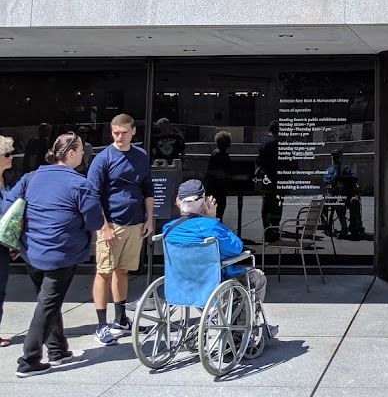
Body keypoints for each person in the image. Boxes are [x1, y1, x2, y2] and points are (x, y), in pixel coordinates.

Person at [3, 133, 104, 378]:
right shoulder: (80, 183)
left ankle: (57, 350)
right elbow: (94, 221)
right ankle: (29, 359)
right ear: (70, 153)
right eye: (81, 150)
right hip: (61, 253)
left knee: (48, 300)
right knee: (47, 303)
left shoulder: (31, 177)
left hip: (31, 251)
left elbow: (7, 205)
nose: (83, 155)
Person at [87, 114, 154, 346]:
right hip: (111, 224)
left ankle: (121, 319)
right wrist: (104, 227)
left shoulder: (141, 156)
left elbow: (147, 187)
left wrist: (149, 219)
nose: (120, 136)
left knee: (123, 270)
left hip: (135, 222)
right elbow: (93, 196)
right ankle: (101, 324)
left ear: (133, 131)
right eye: (115, 132)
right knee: (104, 271)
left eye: (124, 132)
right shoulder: (103, 159)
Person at [163, 180, 267, 313]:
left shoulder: (168, 229)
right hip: (212, 285)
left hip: (181, 284)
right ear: (204, 203)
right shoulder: (210, 227)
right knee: (259, 277)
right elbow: (236, 247)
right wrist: (212, 219)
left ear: (178, 202)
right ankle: (242, 328)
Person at [0, 134, 18, 348]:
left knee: (1, 289)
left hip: (4, 244)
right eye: (7, 154)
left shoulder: (8, 180)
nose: (11, 156)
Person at [323, 150, 364, 240]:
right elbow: (327, 182)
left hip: (348, 193)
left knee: (355, 201)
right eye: (333, 157)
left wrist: (345, 180)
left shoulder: (347, 169)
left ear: (341, 158)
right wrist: (336, 178)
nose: (335, 159)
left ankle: (354, 226)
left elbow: (355, 178)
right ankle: (344, 227)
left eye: (337, 157)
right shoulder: (329, 170)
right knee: (339, 204)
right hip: (336, 195)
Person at [257, 121, 281, 242]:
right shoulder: (276, 143)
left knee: (267, 204)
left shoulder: (264, 143)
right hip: (275, 179)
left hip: (266, 178)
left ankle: (267, 229)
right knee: (275, 205)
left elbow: (259, 161)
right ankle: (272, 230)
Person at [204, 130, 232, 220]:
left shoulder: (215, 152)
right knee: (219, 210)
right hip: (218, 187)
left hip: (213, 186)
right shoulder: (221, 154)